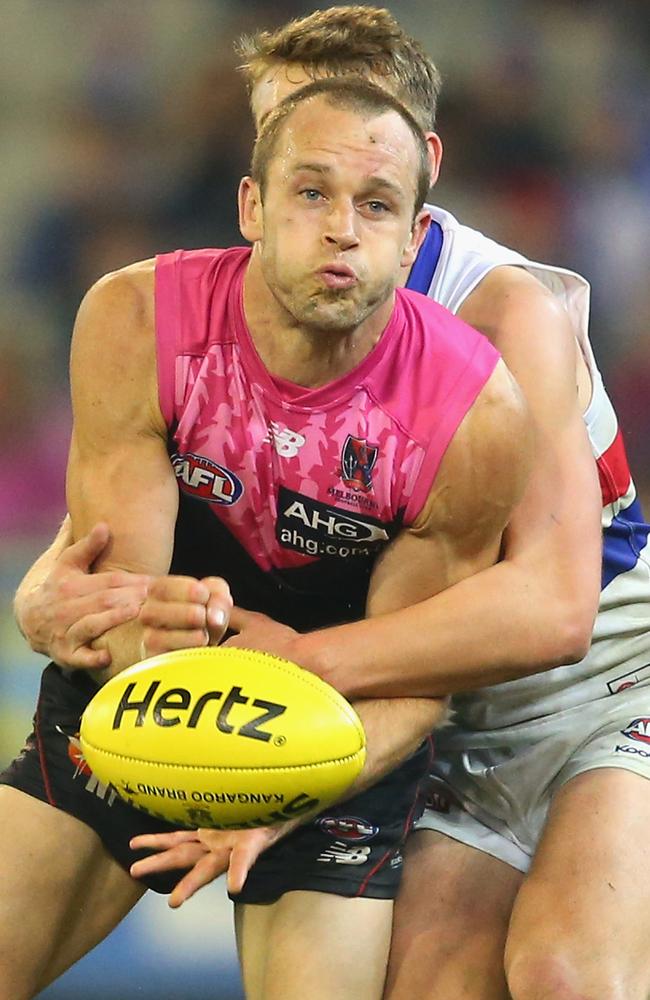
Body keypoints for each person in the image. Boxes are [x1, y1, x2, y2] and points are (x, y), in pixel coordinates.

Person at [13, 8, 650, 999]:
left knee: (565, 974)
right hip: (409, 688)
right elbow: (205, 487)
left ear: (417, 162)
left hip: (584, 675)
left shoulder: (497, 318)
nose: (329, 197)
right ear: (257, 183)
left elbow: (549, 609)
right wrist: (57, 580)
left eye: (366, 167)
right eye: (290, 149)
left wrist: (296, 662)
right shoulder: (227, 299)